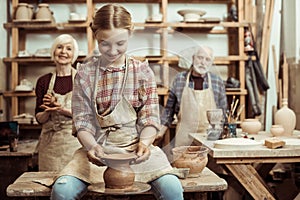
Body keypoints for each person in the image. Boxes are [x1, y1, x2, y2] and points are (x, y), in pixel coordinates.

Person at [51, 4, 184, 200]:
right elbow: (82, 121)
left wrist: (145, 143)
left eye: (120, 43)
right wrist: (91, 147)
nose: (112, 51)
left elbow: (150, 118)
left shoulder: (142, 71)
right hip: (98, 151)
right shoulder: (85, 73)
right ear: (95, 35)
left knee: (173, 189)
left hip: (136, 150)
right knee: (61, 191)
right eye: (104, 43)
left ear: (130, 34)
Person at [156, 46, 228, 147]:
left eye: (207, 59)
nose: (203, 62)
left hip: (209, 138)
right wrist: (159, 133)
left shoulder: (217, 81)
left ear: (211, 62)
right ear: (193, 58)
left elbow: (224, 114)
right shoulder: (179, 79)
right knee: (184, 162)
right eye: (200, 57)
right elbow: (169, 111)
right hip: (184, 138)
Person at [34, 34, 81, 171]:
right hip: (50, 145)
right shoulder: (43, 81)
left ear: (74, 54)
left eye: (68, 48)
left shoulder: (81, 79)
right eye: (59, 47)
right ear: (54, 51)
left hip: (75, 142)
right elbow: (39, 118)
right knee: (49, 183)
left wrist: (61, 109)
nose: (63, 52)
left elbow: (88, 116)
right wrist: (47, 111)